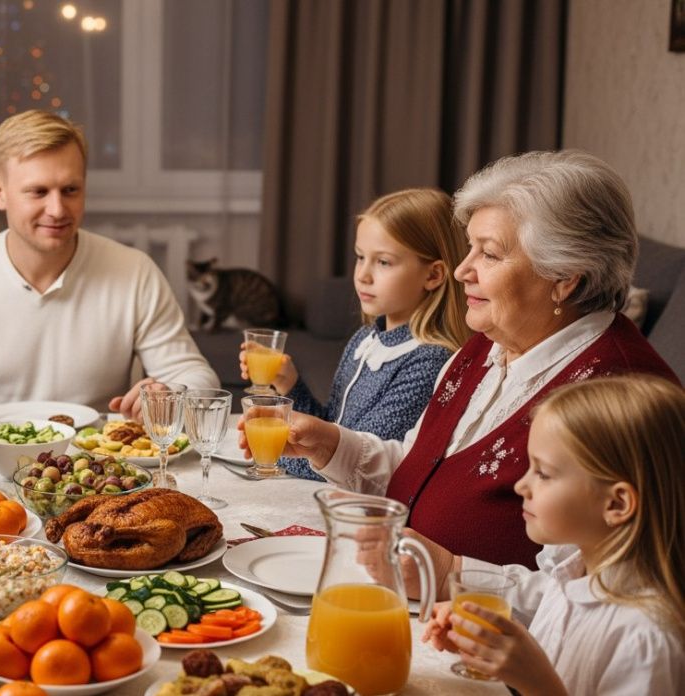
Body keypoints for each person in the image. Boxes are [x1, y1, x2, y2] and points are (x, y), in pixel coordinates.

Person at [241, 150, 679, 576]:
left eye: (489, 254)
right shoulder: (485, 346)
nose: (461, 271)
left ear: (564, 278)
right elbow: (417, 466)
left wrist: (452, 573)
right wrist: (332, 446)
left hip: (480, 622)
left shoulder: (621, 399)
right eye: (470, 248)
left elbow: (605, 599)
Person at [0, 110, 218, 436]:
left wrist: (172, 394)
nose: (57, 209)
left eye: (70, 190)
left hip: (96, 463)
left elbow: (197, 376)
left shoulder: (134, 271)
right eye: (38, 192)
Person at [421, 376, 685, 694]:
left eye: (543, 473)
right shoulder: (568, 576)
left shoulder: (648, 639)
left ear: (616, 504)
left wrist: (536, 681)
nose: (521, 486)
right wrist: (492, 643)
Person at [242, 188, 469, 481]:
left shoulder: (429, 361)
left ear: (434, 275)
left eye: (383, 262)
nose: (362, 275)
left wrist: (268, 450)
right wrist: (290, 384)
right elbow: (330, 427)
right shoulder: (365, 339)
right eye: (360, 257)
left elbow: (352, 462)